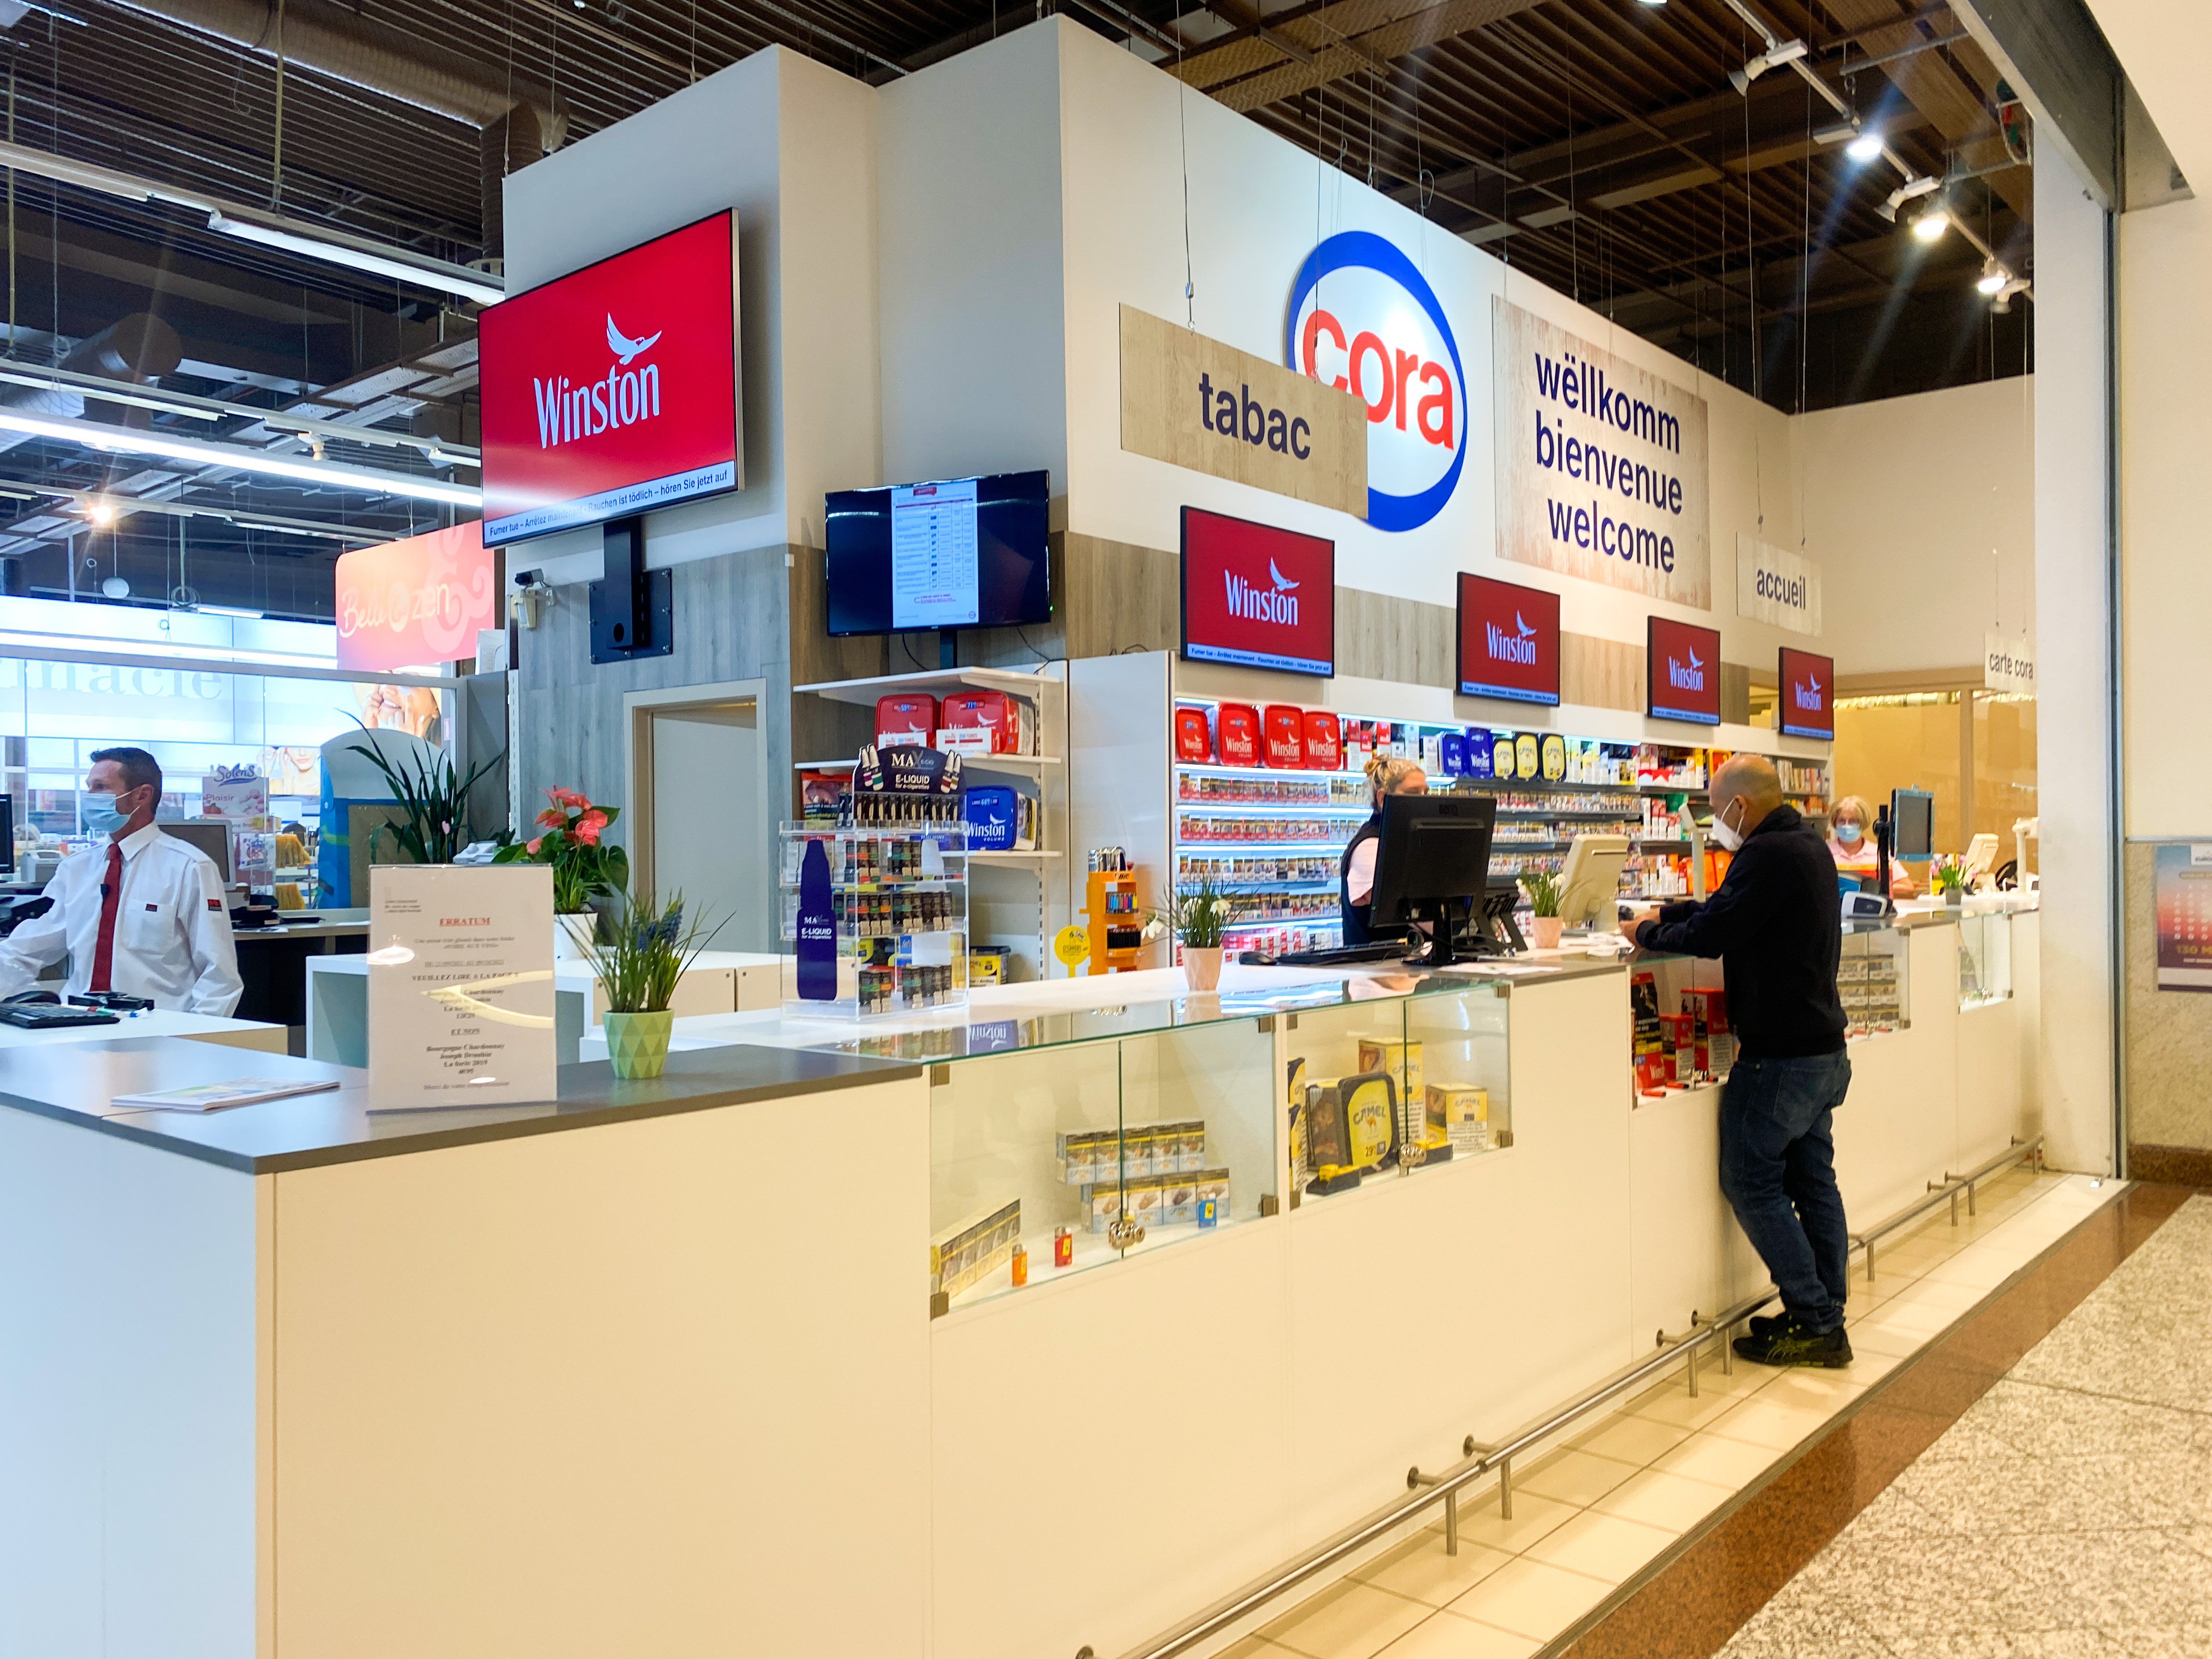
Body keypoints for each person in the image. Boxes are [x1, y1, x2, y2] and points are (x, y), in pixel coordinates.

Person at [1630, 754, 1852, 1368]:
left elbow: (1714, 933)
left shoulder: (1766, 854)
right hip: (1822, 1050)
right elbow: (1728, 910)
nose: (1714, 819)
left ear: (1740, 806)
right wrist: (1664, 914)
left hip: (1779, 1058)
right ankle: (1827, 1311)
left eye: (1714, 807)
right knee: (1814, 1182)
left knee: (1751, 1181)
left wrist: (1645, 936)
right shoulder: (1805, 846)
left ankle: (1815, 1320)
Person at [0, 747, 242, 1015]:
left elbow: (219, 976)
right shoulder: (75, 869)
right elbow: (23, 950)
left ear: (142, 795)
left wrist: (194, 1034)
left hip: (157, 1028)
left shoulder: (189, 867)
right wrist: (29, 1006)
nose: (89, 796)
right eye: (89, 787)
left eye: (101, 787)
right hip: (79, 1023)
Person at [1339, 754, 1427, 946]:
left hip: (1409, 961)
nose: (1423, 800)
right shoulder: (1369, 846)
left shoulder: (1404, 838)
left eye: (1425, 793)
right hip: (1376, 963)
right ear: (1383, 798)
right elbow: (1407, 909)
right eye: (1413, 793)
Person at [1826, 794, 1917, 900]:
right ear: (1834, 823)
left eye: (1853, 821)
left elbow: (1907, 887)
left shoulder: (1880, 854)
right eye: (1841, 821)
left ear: (1863, 823)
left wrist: (1876, 889)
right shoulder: (1824, 853)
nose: (1847, 826)